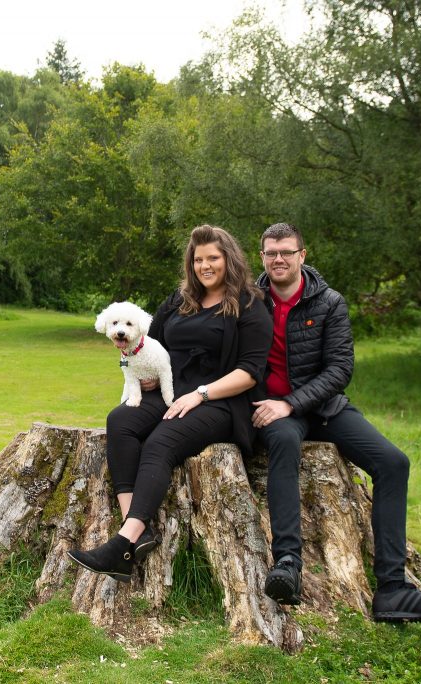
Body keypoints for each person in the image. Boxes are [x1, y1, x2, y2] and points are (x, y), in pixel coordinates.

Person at [252, 223, 421, 622]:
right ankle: (288, 563)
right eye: (271, 253)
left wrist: (292, 403)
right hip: (271, 410)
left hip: (323, 408)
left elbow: (340, 368)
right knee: (282, 444)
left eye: (287, 252)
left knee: (393, 463)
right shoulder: (249, 301)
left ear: (302, 255)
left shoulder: (329, 302)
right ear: (261, 256)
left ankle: (393, 590)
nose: (279, 259)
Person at [68, 224, 272, 581]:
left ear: (229, 259)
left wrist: (201, 394)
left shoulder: (250, 306)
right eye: (198, 260)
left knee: (161, 440)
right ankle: (137, 529)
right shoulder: (179, 300)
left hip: (219, 401)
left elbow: (251, 372)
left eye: (213, 258)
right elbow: (149, 341)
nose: (205, 266)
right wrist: (143, 370)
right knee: (120, 422)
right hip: (168, 392)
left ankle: (122, 545)